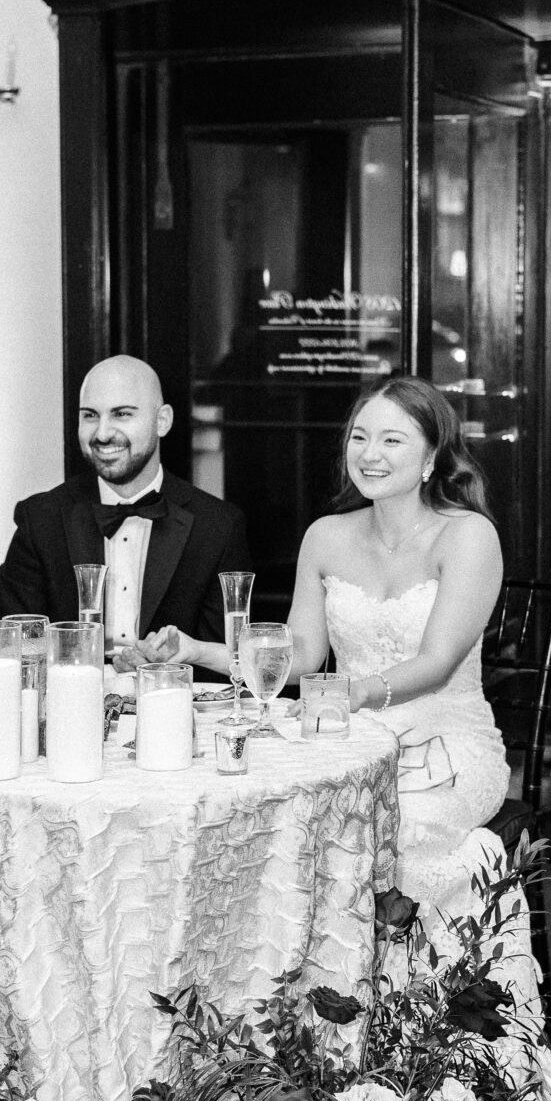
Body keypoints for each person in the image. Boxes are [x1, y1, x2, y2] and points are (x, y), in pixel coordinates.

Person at [140, 375, 527, 972]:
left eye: (392, 440)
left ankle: (403, 1021)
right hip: (344, 740)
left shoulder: (468, 536)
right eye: (359, 437)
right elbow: (299, 656)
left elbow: (437, 662)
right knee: (271, 814)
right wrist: (199, 652)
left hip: (448, 748)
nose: (370, 454)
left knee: (376, 833)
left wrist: (351, 694)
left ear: (431, 458)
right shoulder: (325, 536)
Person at [0, 355, 251, 651]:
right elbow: (10, 642)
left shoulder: (217, 526)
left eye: (122, 414)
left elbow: (224, 659)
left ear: (162, 421)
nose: (102, 433)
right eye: (90, 415)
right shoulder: (40, 519)